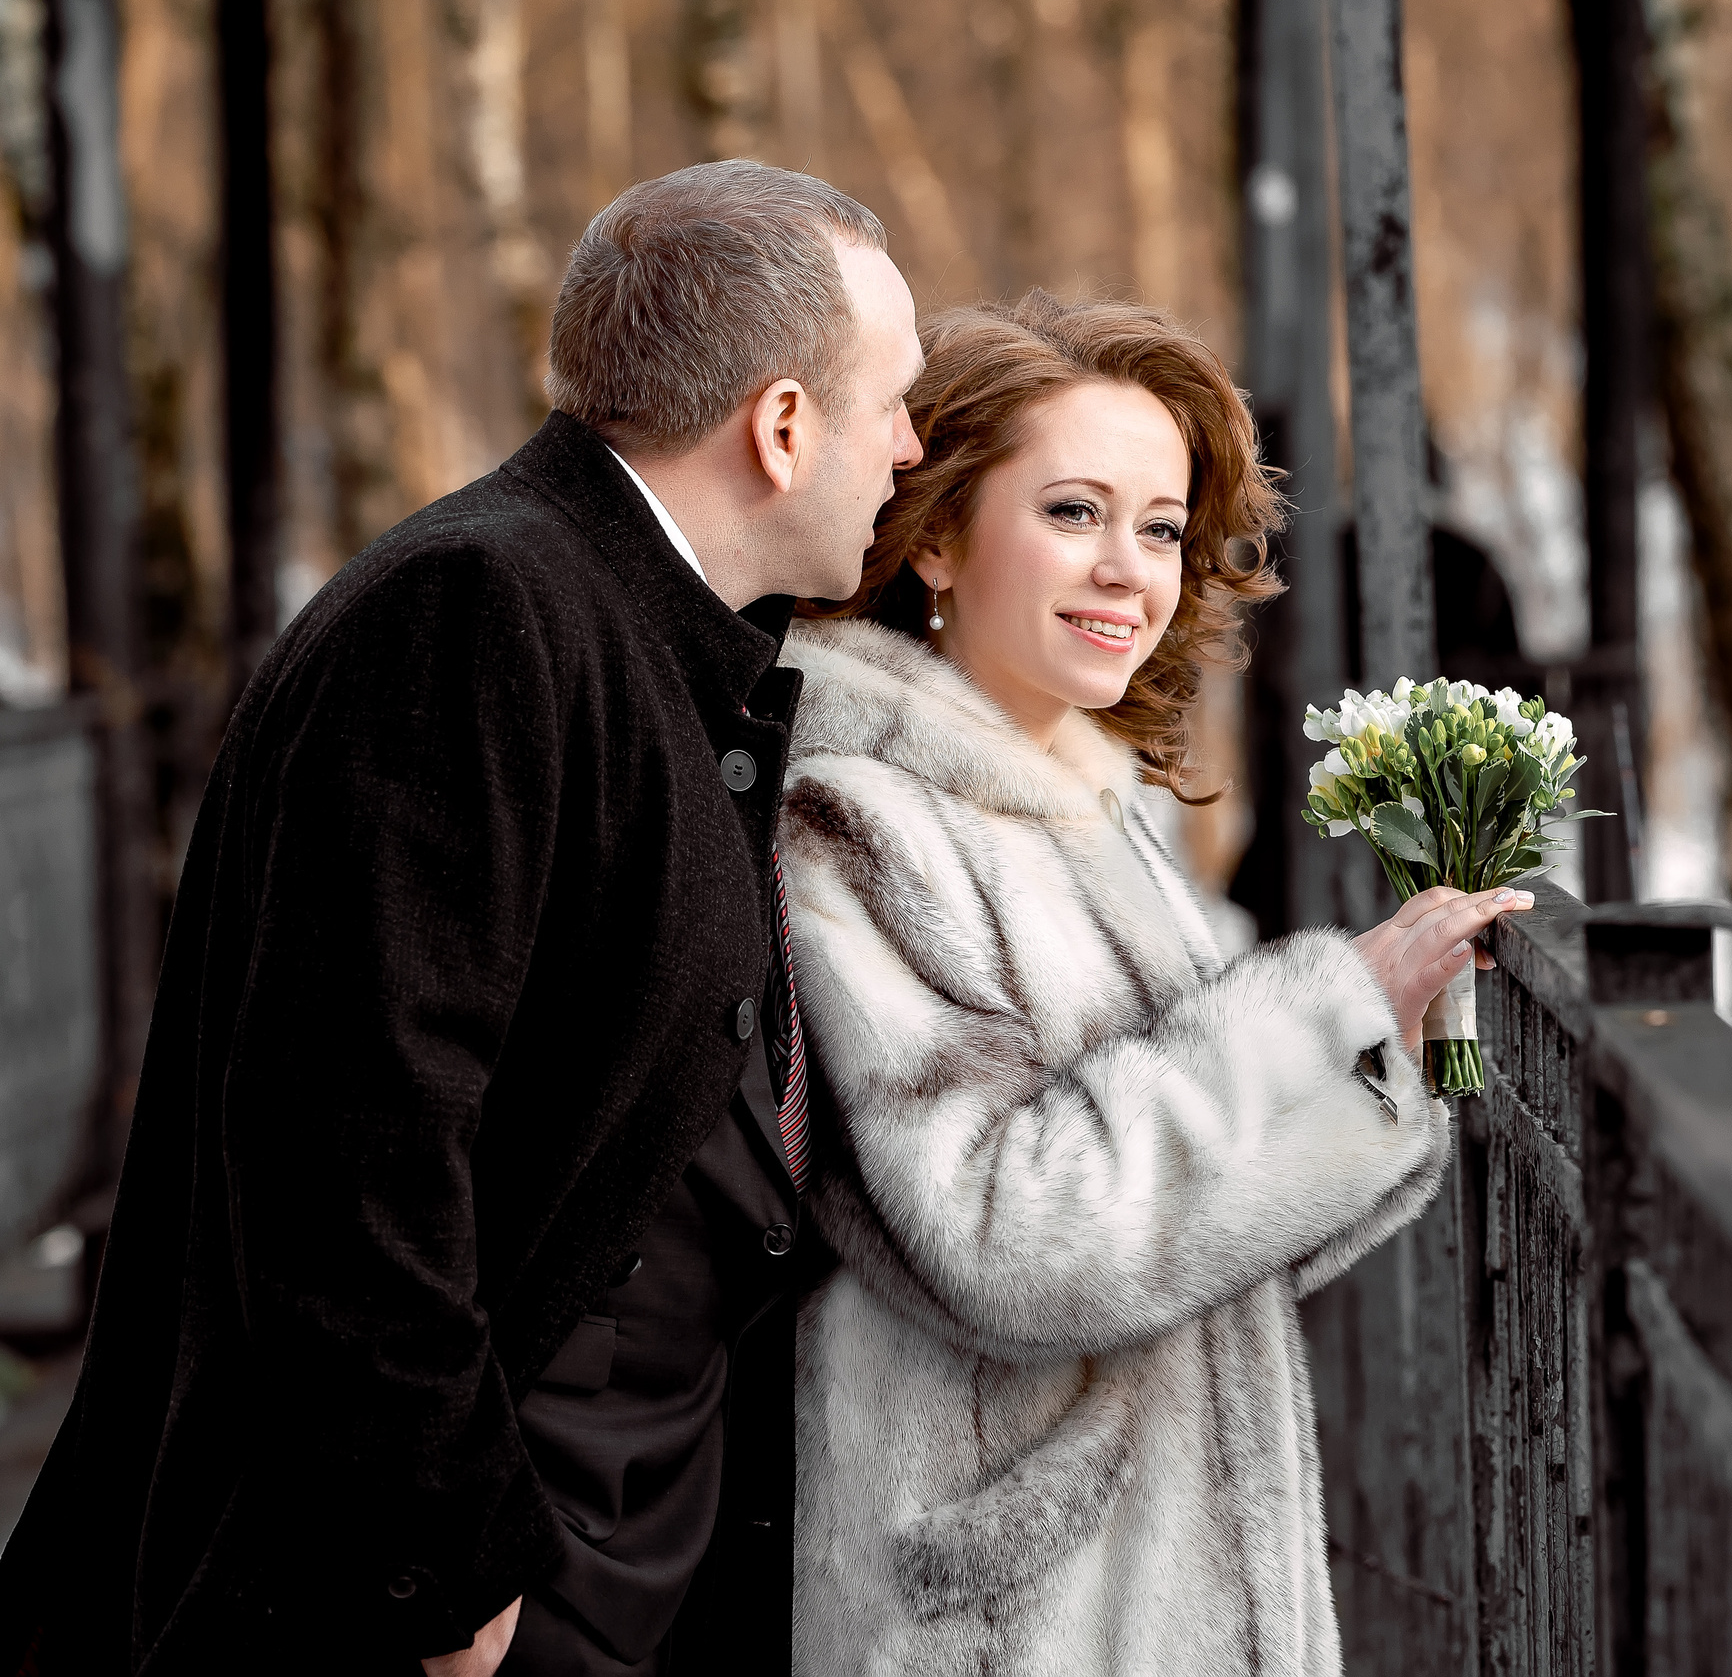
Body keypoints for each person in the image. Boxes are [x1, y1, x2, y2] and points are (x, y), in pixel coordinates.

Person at [0, 161, 923, 1676]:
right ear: (779, 424)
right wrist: (445, 1566)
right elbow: (343, 1133)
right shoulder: (477, 614)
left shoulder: (612, 615)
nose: (908, 445)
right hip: (429, 1608)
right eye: (892, 399)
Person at [776, 290, 1523, 1674]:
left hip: (1162, 1587)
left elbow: (1189, 1223)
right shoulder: (863, 825)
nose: (1130, 569)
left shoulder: (1095, 811)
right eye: (1072, 512)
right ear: (935, 535)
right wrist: (1315, 1004)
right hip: (1018, 1617)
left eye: (1163, 528)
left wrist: (1383, 1064)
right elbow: (1007, 1233)